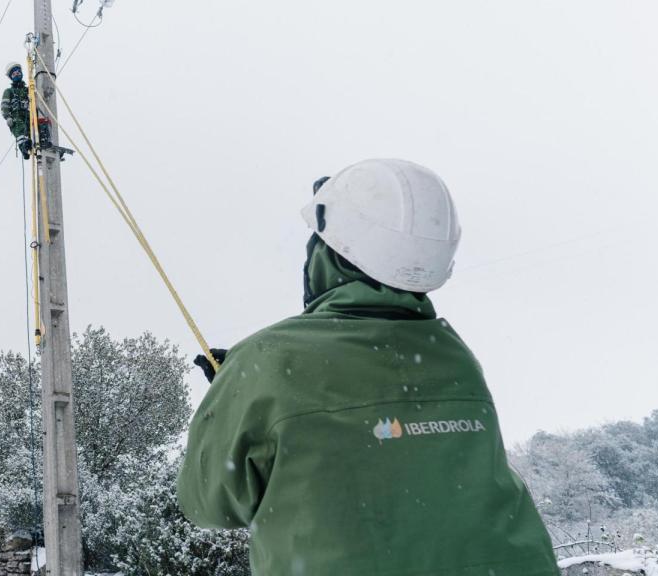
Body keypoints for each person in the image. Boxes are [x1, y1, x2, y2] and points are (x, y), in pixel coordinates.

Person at [178, 159, 558, 576]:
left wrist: (231, 399)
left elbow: (207, 503)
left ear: (330, 252)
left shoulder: (264, 360)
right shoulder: (455, 356)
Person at [1, 62, 51, 160]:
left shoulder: (29, 90)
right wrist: (7, 117)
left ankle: (44, 140)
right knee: (21, 128)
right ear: (11, 76)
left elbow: (37, 99)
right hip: (17, 115)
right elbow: (4, 106)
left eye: (18, 72)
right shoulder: (9, 91)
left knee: (40, 124)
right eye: (14, 73)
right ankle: (24, 147)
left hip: (29, 115)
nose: (17, 74)